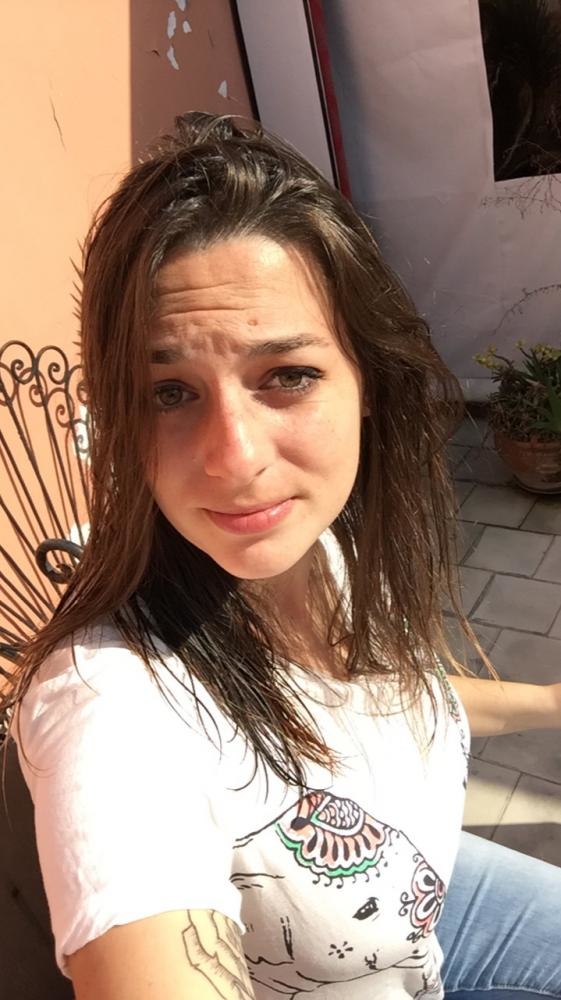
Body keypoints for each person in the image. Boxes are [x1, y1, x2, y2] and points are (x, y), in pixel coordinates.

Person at [7, 113, 561, 1000]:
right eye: (168, 392)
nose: (234, 459)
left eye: (286, 376)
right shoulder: (112, 705)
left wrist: (550, 702)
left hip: (418, 900)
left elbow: (382, 696)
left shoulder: (319, 550)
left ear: (367, 380)